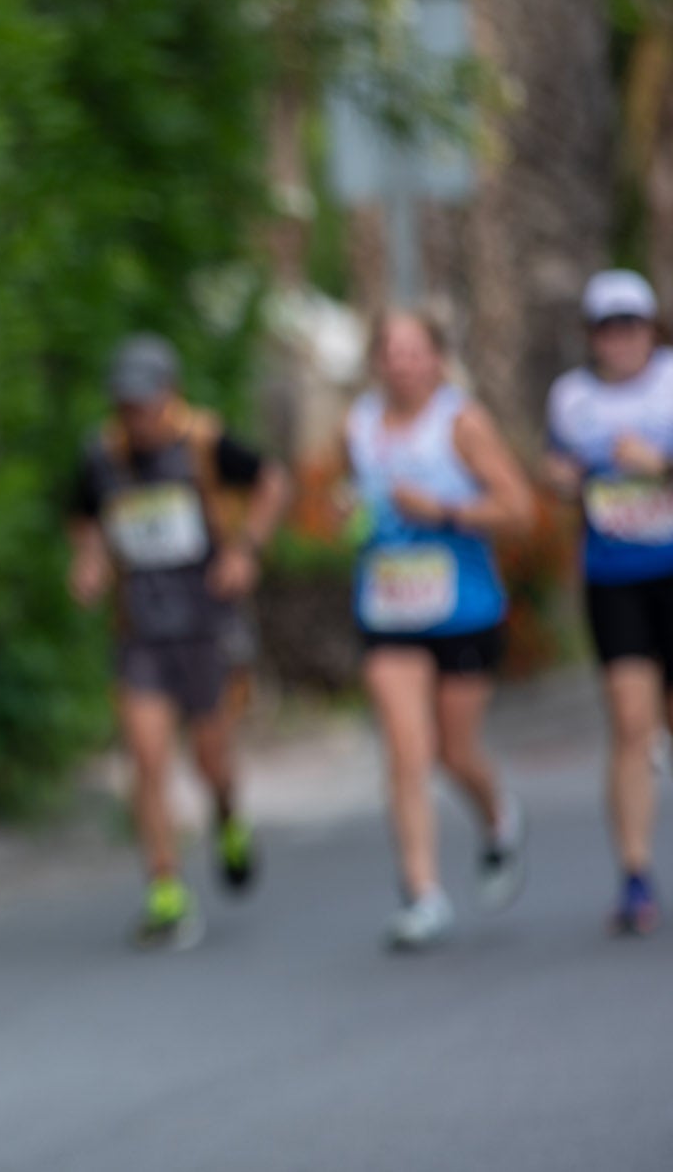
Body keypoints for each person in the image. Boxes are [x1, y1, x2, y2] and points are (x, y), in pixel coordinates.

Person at [68, 335, 292, 950]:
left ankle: (228, 817)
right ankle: (165, 890)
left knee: (210, 759)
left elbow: (272, 481)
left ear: (170, 395)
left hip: (205, 627)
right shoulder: (102, 456)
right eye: (125, 405)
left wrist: (246, 551)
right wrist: (89, 562)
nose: (134, 417)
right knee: (146, 759)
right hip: (140, 632)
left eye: (143, 404)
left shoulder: (204, 442)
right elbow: (84, 518)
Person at [344, 311, 534, 951]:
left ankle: (497, 816)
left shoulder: (462, 423)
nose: (401, 364)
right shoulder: (358, 425)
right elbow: (349, 499)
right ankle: (422, 894)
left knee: (454, 753)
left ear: (437, 360)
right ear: (375, 362)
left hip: (463, 610)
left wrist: (444, 511)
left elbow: (519, 509)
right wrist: (347, 514)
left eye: (413, 352)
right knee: (407, 749)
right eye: (390, 352)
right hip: (388, 611)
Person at [544, 269, 673, 935]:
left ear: (652, 328)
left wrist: (660, 467)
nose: (620, 340)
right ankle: (634, 871)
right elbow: (557, 468)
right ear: (592, 336)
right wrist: (562, 478)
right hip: (614, 577)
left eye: (631, 326)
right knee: (630, 723)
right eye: (608, 328)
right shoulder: (572, 399)